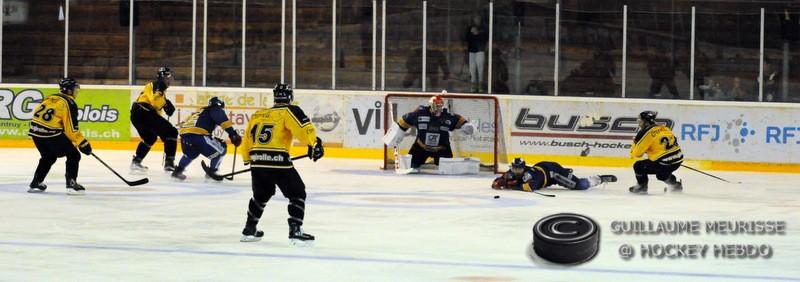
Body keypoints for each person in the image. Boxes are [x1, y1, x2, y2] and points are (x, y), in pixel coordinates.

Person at [239, 83, 324, 245]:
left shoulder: (259, 113)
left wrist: (248, 159)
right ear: (290, 97)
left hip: (257, 160)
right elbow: (303, 129)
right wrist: (314, 144)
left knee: (261, 195)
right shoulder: (290, 110)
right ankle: (295, 230)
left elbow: (247, 139)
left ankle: (249, 230)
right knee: (297, 193)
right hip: (278, 160)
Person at [27, 78, 93, 195]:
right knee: (74, 155)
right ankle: (71, 184)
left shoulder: (50, 98)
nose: (76, 92)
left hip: (35, 132)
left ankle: (36, 183)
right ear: (69, 91)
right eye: (74, 89)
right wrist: (83, 143)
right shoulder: (69, 103)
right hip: (50, 133)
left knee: (48, 157)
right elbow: (71, 128)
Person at [395, 95, 474, 173]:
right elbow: (404, 121)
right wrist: (398, 133)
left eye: (440, 106)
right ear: (431, 105)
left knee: (448, 171)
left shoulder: (448, 116)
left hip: (442, 149)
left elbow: (462, 122)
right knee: (410, 168)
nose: (438, 109)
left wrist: (467, 126)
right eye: (436, 106)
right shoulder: (420, 112)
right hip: (420, 147)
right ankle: (415, 163)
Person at [171, 97, 242, 180]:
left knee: (191, 153)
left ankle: (178, 171)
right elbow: (223, 121)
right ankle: (212, 172)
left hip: (184, 135)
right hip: (198, 135)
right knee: (221, 150)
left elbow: (182, 124)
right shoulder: (215, 109)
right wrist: (233, 135)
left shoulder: (199, 112)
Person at [130, 67, 179, 173]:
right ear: (162, 78)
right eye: (168, 77)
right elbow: (154, 100)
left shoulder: (159, 89)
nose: (169, 80)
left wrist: (165, 103)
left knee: (150, 138)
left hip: (136, 114)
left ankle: (136, 162)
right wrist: (166, 104)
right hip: (144, 112)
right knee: (171, 132)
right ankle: (169, 164)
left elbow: (156, 104)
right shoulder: (158, 84)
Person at [629, 111, 684, 194]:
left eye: (640, 121)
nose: (639, 123)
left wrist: (635, 142)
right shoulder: (664, 128)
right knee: (662, 175)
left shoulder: (645, 133)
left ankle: (642, 187)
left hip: (664, 164)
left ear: (646, 122)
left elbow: (636, 154)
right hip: (678, 160)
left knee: (638, 166)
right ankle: (675, 186)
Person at [492, 158, 616, 191]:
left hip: (553, 173)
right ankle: (567, 172)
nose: (516, 172)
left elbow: (530, 187)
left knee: (580, 185)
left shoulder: (529, 174)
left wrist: (509, 186)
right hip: (542, 166)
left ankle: (599, 178)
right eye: (514, 169)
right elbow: (498, 181)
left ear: (524, 168)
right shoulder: (512, 172)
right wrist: (498, 182)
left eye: (519, 169)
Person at [466, 15, 488, 93]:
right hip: (472, 51)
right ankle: (473, 88)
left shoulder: (484, 28)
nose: (477, 20)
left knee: (480, 70)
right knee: (472, 71)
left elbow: (486, 38)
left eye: (478, 18)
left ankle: (480, 88)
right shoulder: (470, 28)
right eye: (475, 18)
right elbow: (466, 39)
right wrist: (472, 33)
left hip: (480, 51)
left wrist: (478, 33)